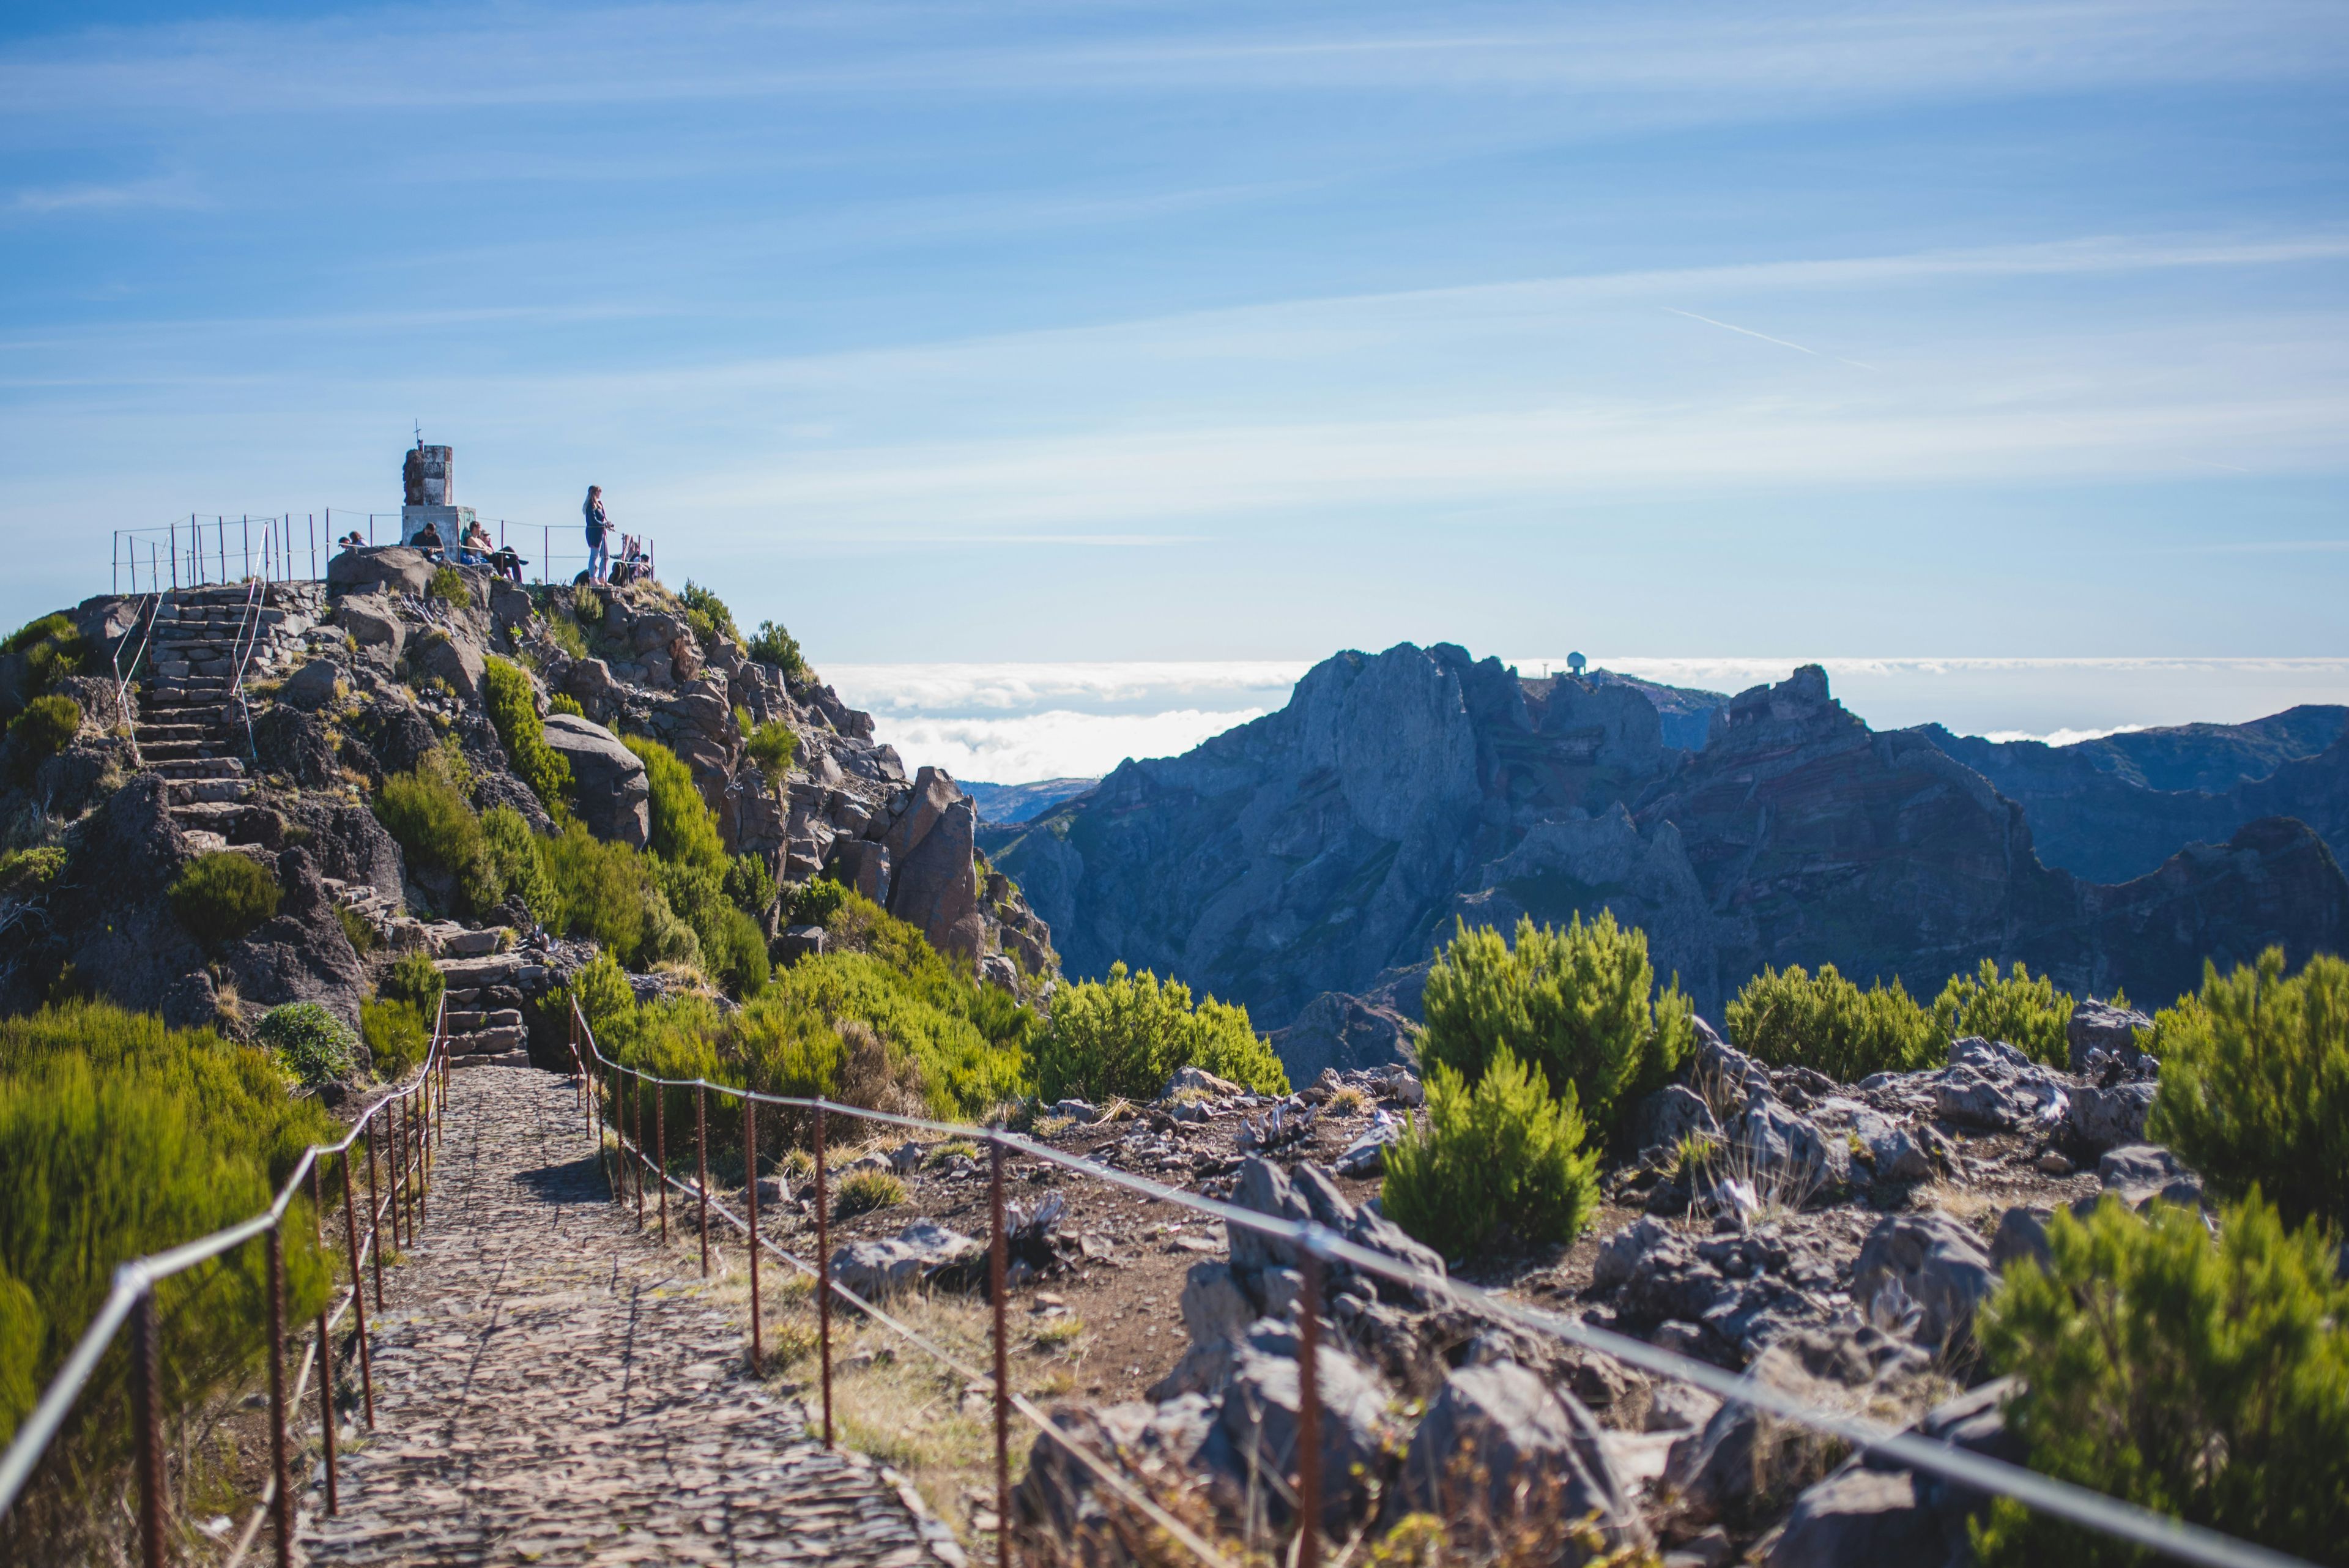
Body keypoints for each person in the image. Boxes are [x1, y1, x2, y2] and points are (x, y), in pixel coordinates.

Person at [583, 485, 610, 583]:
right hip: (594, 533)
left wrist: (607, 524)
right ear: (594, 493)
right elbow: (593, 521)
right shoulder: (590, 505)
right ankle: (592, 579)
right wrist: (604, 524)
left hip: (602, 532)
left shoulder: (599, 505)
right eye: (599, 492)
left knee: (606, 556)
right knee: (594, 555)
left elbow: (602, 518)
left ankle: (601, 577)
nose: (600, 494)